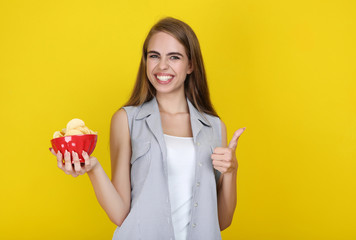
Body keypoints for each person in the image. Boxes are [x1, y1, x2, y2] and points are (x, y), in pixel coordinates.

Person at [50, 17, 245, 240]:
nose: (162, 66)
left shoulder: (214, 127)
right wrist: (93, 168)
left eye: (174, 57)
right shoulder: (126, 120)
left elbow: (221, 221)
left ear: (191, 65)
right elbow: (120, 213)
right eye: (154, 56)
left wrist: (231, 172)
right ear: (146, 61)